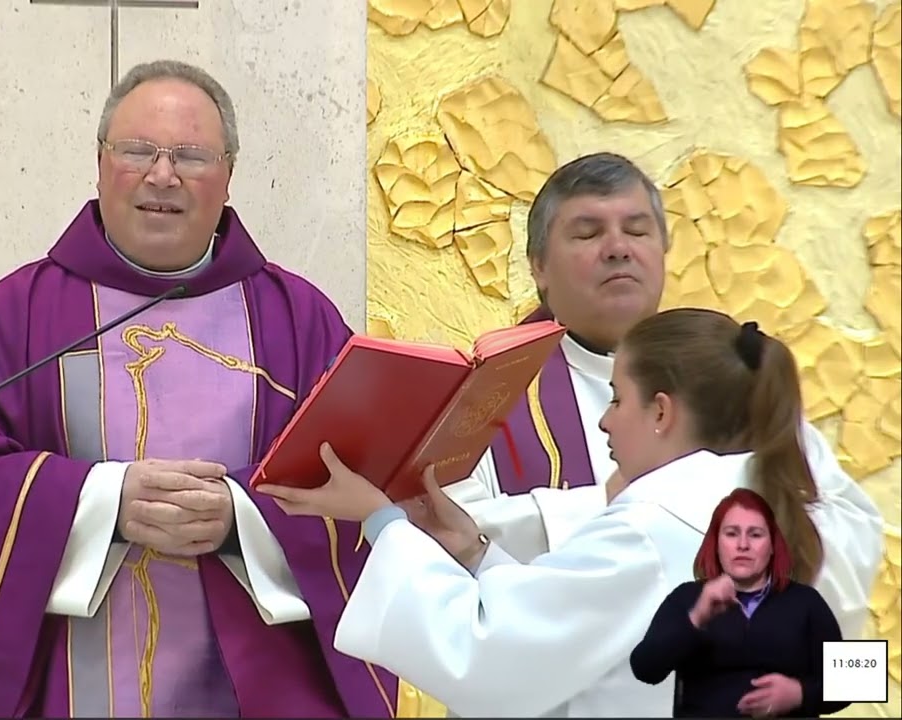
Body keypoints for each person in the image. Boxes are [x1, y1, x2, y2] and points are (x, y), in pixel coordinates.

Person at [0, 60, 403, 718]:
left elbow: (370, 475)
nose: (162, 176)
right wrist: (101, 501)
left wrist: (239, 517)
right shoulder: (14, 318)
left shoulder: (299, 322)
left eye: (191, 156)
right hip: (68, 681)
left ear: (228, 177)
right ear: (101, 164)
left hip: (265, 683)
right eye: (138, 151)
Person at [258, 308, 868, 717]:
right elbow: (858, 673)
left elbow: (489, 656)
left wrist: (381, 521)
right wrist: (475, 552)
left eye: (617, 398)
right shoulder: (783, 505)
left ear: (661, 412)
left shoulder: (658, 527)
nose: (605, 420)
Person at [444, 152, 882, 641]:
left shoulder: (732, 372)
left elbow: (844, 527)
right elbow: (451, 536)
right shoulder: (482, 395)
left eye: (637, 230)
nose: (618, 249)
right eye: (588, 233)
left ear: (664, 248)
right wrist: (645, 517)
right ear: (538, 267)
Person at [630, 488, 849, 718]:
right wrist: (696, 618)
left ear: (773, 545)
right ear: (716, 542)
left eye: (755, 534)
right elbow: (644, 669)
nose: (743, 545)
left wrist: (800, 693)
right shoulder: (687, 597)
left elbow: (859, 680)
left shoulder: (807, 602)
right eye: (732, 533)